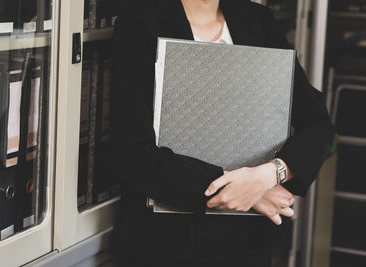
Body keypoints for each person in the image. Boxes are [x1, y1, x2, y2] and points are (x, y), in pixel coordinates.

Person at [110, 0, 335, 266]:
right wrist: (250, 193)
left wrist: (270, 174)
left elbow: (318, 126)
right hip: (164, 241)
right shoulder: (139, 20)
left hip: (248, 242)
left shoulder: (258, 20)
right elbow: (134, 153)